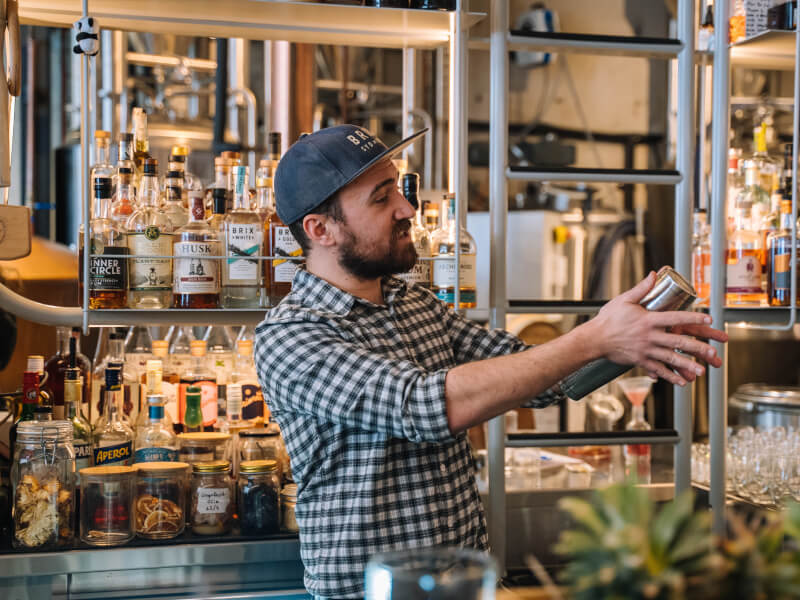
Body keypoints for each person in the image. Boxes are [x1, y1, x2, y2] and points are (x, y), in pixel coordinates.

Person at [253, 125, 727, 599]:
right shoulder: (290, 336)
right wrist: (594, 338)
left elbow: (542, 377)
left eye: (398, 187)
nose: (407, 208)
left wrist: (635, 330)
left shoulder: (414, 303)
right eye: (382, 199)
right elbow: (424, 406)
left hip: (468, 586)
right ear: (321, 229)